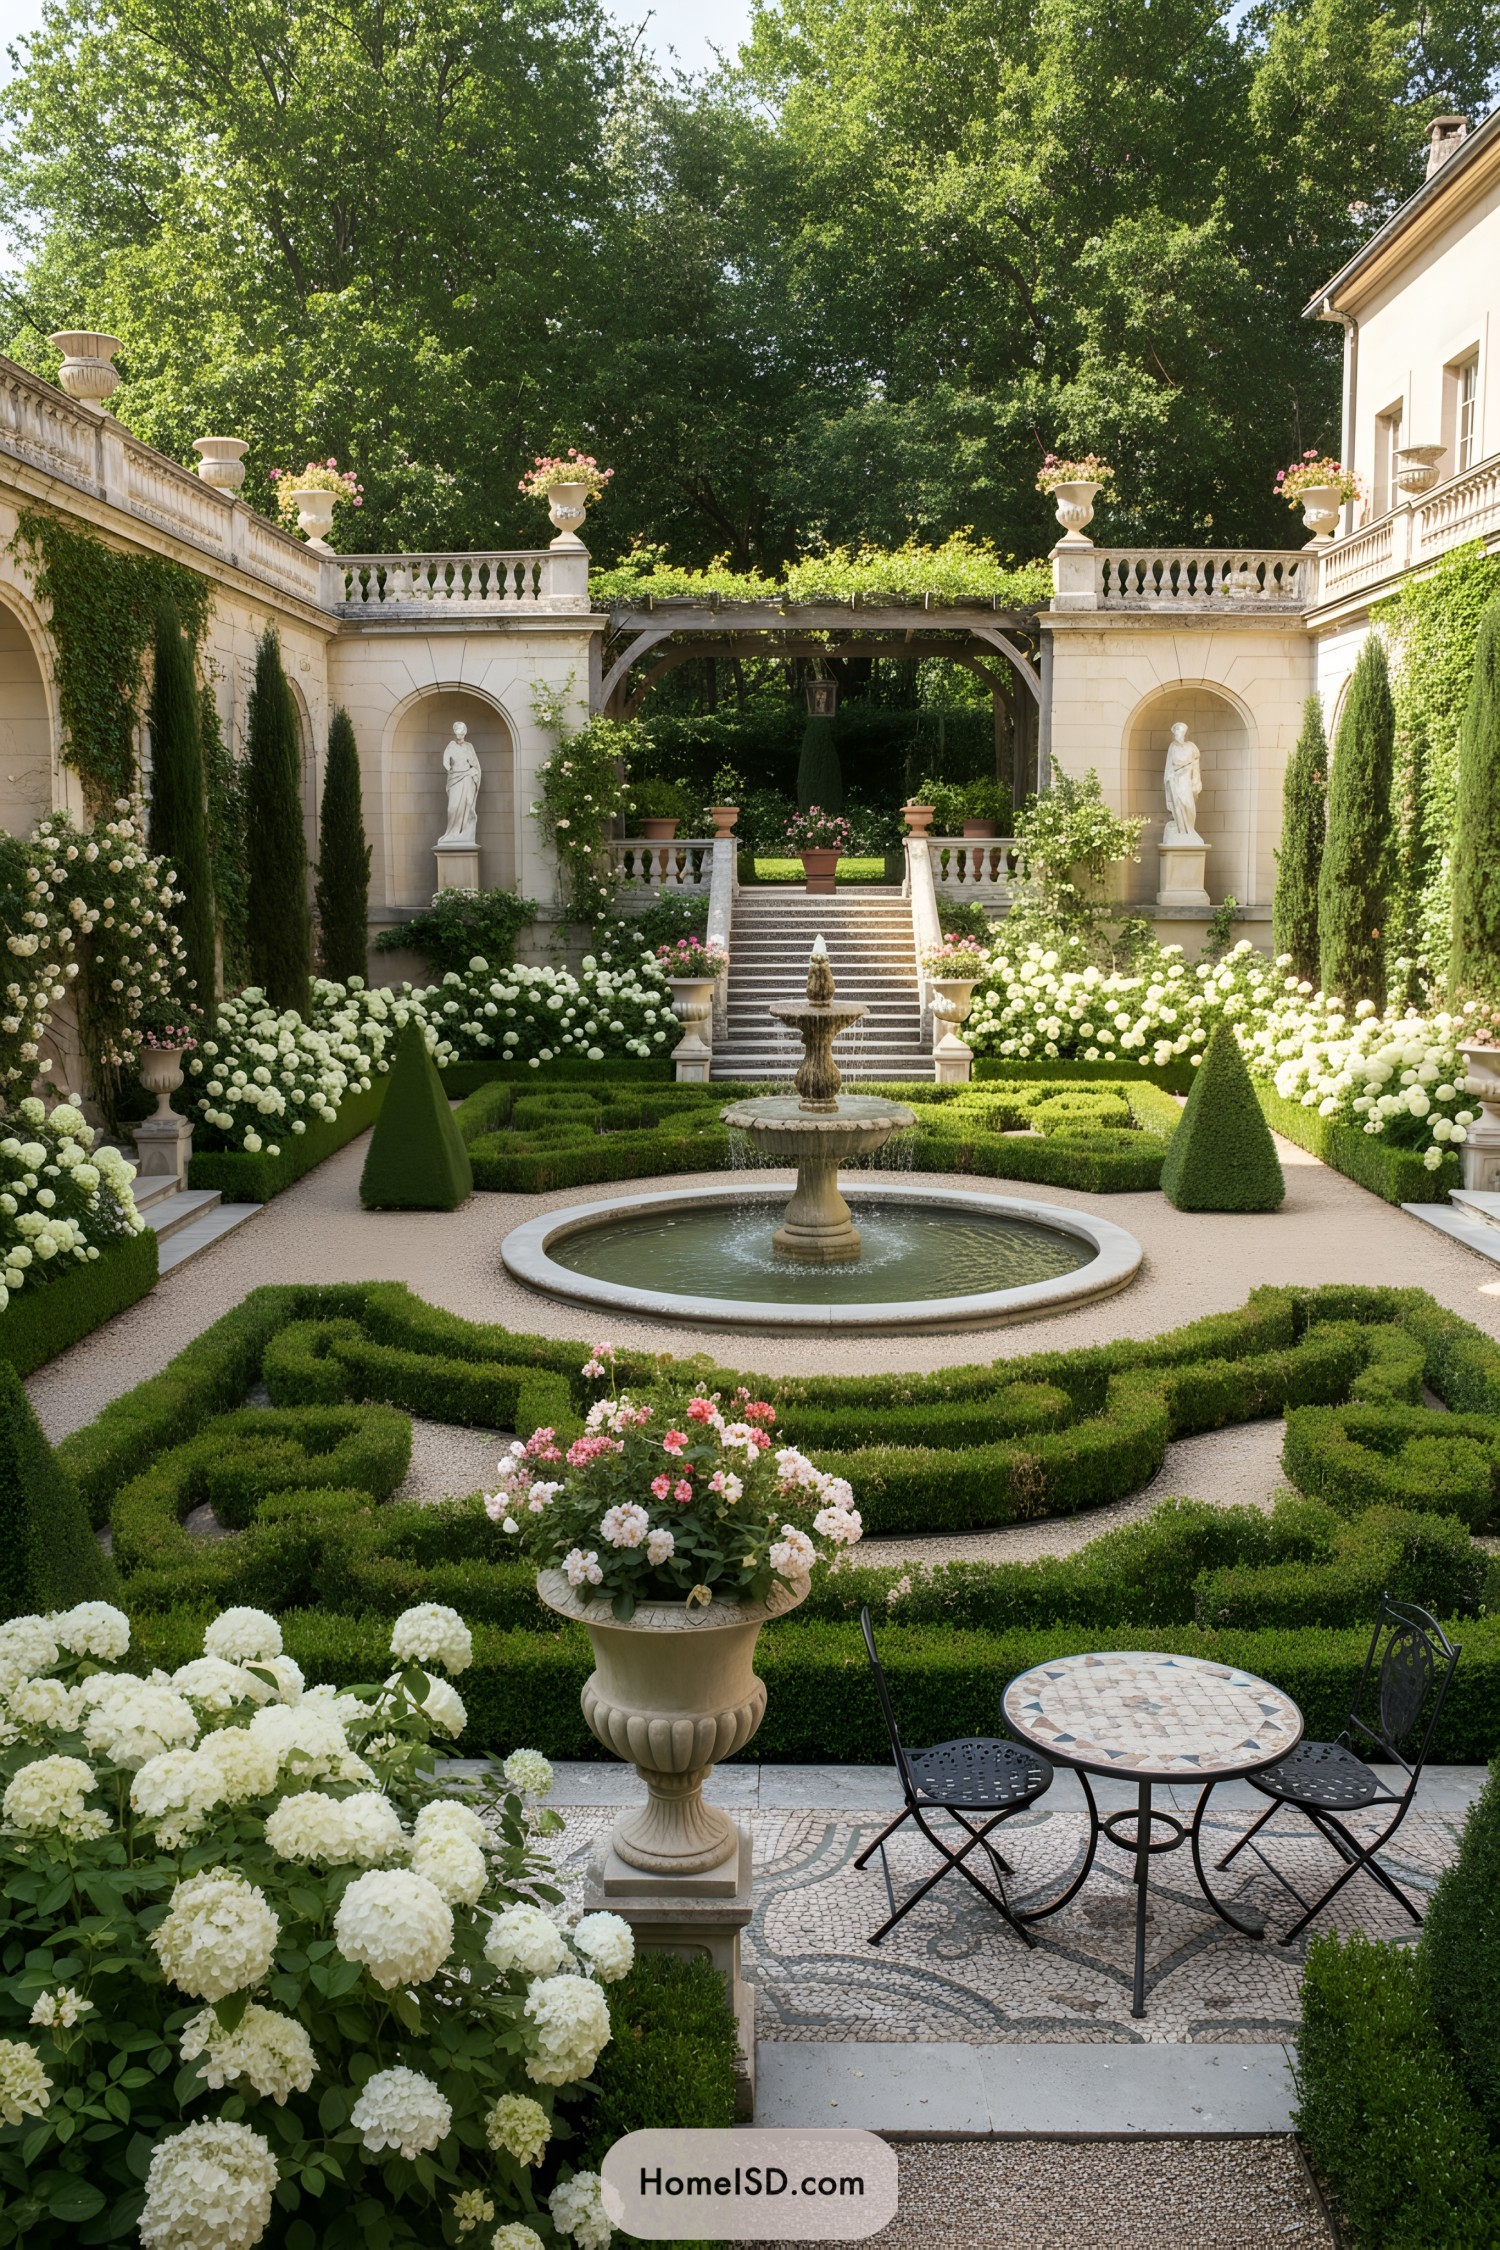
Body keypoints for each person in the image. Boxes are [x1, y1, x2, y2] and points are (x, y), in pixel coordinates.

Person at [439, 721, 481, 843]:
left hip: (467, 778)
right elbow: (446, 761)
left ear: (465, 732)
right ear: (455, 732)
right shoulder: (451, 745)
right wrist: (449, 768)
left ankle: (464, 833)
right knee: (453, 807)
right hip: (455, 778)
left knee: (467, 803)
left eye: (462, 732)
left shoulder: (469, 746)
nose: (460, 734)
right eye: (458, 731)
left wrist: (474, 772)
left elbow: (475, 765)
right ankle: (452, 833)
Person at [1163, 721, 1202, 842]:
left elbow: (1196, 766)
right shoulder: (1173, 747)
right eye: (1177, 731)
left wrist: (1196, 781)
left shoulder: (1191, 747)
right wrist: (1169, 779)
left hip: (1186, 780)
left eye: (1181, 731)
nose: (1179, 733)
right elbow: (1169, 766)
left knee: (1188, 804)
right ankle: (1182, 830)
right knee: (1178, 804)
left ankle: (1190, 830)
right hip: (1176, 780)